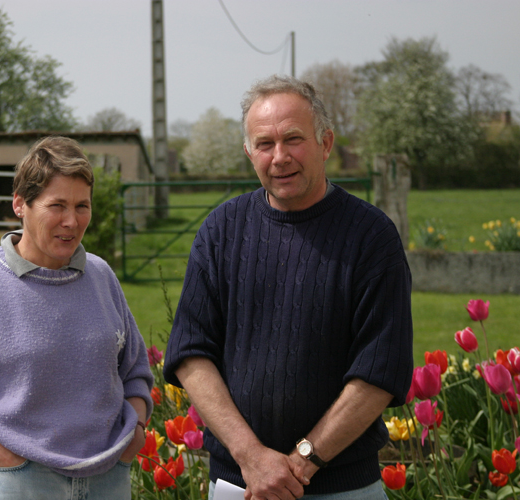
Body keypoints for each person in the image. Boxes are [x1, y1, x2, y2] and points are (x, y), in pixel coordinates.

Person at [163, 75, 413, 500]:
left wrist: (300, 463)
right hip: (237, 484)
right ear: (248, 153)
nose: (279, 157)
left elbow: (379, 371)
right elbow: (190, 354)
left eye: (293, 139)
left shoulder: (372, 237)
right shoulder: (220, 231)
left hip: (343, 486)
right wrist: (252, 458)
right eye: (264, 144)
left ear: (326, 143)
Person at [0, 136, 153, 500]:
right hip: (22, 483)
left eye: (83, 205)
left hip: (109, 480)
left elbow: (135, 372)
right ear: (20, 204)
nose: (72, 220)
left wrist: (136, 431)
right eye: (57, 205)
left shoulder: (101, 276)